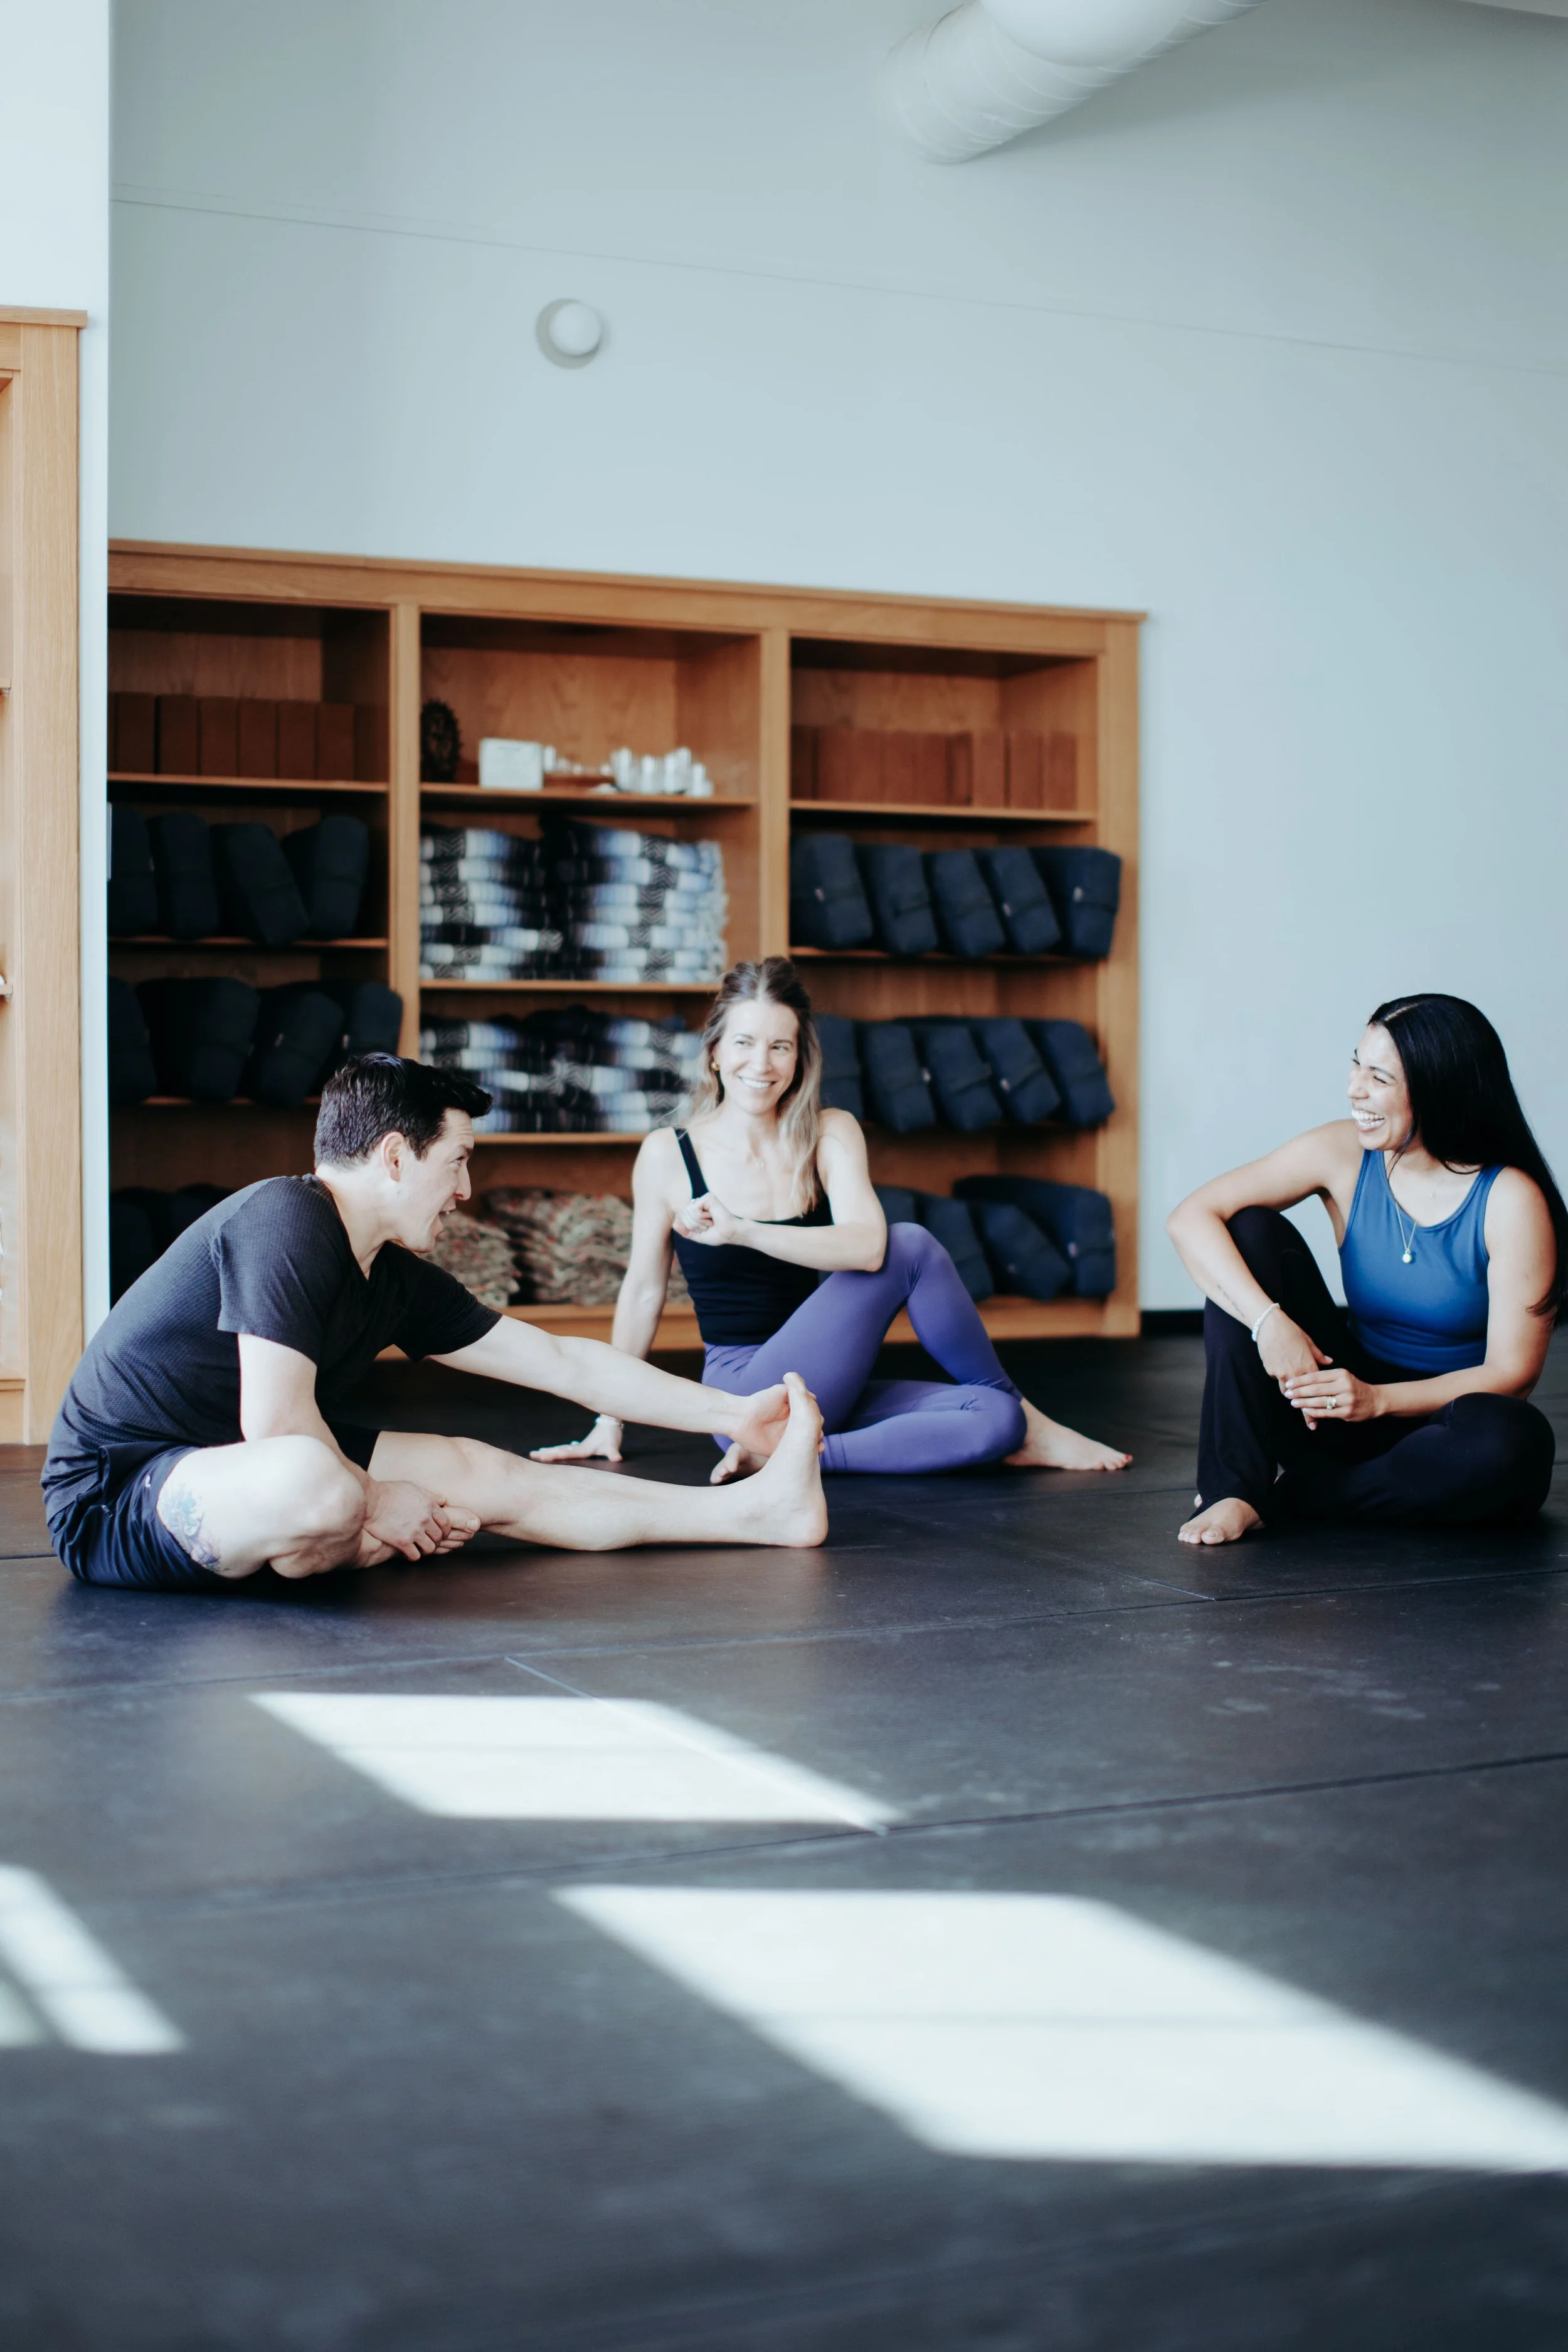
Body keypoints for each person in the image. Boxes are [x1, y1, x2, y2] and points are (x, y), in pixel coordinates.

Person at [43, 1056, 827, 1590]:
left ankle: (756, 1514)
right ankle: (342, 1531)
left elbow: (561, 1362)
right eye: (456, 1160)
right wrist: (382, 1503)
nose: (464, 1189)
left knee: (485, 1471)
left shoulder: (389, 1273)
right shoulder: (285, 1218)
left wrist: (734, 1413)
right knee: (316, 1479)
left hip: (244, 1459)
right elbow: (277, 1420)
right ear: (393, 1158)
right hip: (119, 1492)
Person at [532, 958, 1130, 1481]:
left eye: (779, 1046)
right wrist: (607, 1419)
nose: (759, 1064)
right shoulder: (669, 1152)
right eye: (742, 1043)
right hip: (744, 1387)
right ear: (713, 1053)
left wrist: (740, 1230)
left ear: (800, 1057)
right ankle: (1025, 1418)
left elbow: (868, 1248)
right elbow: (642, 1291)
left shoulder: (830, 1133)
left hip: (826, 1379)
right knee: (913, 1244)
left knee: (993, 1421)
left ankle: (806, 1456)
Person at [1166, 993, 1561, 1547]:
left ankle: (1293, 1496)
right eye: (1357, 1065)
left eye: (1379, 1077)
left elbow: (1512, 1374)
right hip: (1330, 1406)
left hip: (1442, 1424)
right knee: (1249, 1232)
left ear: (1439, 1088)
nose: (1355, 1089)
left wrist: (1378, 1400)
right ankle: (1233, 1487)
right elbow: (1191, 1218)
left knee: (1512, 1440)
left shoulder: (1510, 1199)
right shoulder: (1344, 1153)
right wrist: (1269, 1324)